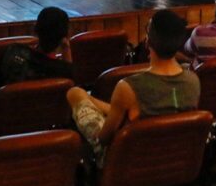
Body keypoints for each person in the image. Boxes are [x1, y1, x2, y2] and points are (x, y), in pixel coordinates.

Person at [68, 9, 200, 161]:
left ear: (147, 41)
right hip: (175, 154)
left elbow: (103, 139)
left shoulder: (128, 87)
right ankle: (87, 97)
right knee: (84, 95)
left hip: (132, 158)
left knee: (74, 94)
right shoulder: (193, 80)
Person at [0, 6, 74, 97]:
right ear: (65, 35)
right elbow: (70, 81)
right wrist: (66, 47)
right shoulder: (64, 73)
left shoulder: (14, 53)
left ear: (35, 28)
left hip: (1, 124)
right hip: (45, 128)